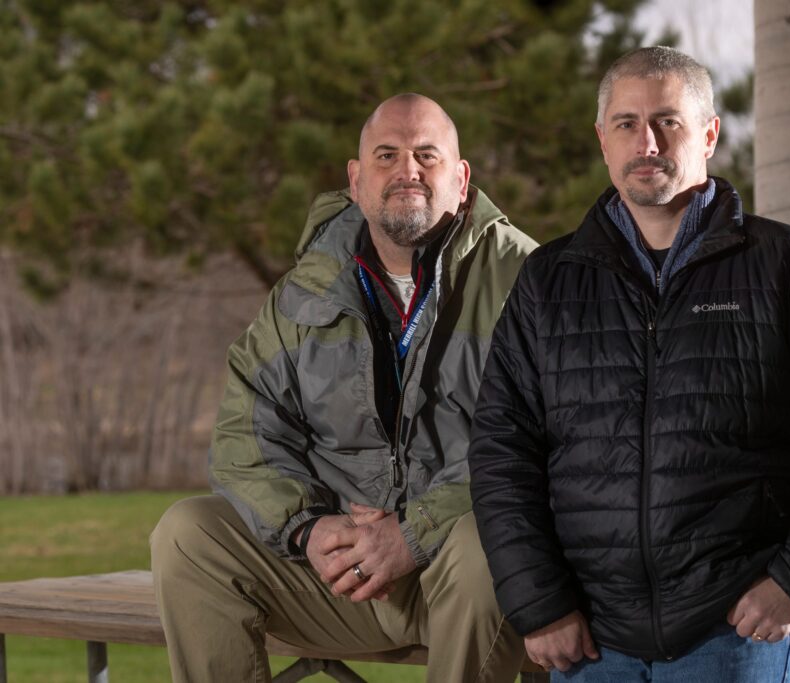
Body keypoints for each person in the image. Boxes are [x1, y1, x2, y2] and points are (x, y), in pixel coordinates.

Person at [468, 47, 790, 682]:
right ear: (603, 140)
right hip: (588, 633)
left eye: (668, 121)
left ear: (709, 133)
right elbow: (501, 453)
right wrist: (538, 602)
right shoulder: (548, 282)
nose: (646, 141)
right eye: (626, 123)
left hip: (733, 628)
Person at [150, 93, 536, 683]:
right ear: (356, 181)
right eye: (387, 155)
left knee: (488, 547)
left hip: (462, 580)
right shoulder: (305, 291)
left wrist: (412, 534)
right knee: (186, 535)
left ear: (461, 181)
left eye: (426, 155)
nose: (407, 170)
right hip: (338, 577)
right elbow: (243, 433)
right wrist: (308, 529)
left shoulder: (527, 280)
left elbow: (549, 442)